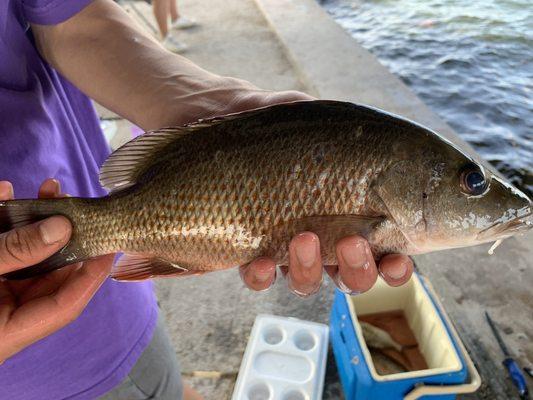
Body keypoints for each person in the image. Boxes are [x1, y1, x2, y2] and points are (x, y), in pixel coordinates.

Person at [0, 0, 414, 399]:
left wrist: (211, 109)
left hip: (93, 294)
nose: (478, 192)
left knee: (162, 381)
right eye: (472, 182)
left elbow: (72, 20)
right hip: (62, 359)